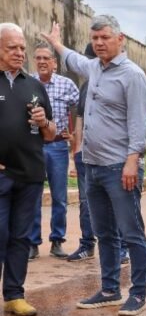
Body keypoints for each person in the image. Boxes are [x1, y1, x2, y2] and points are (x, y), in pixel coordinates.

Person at [42, 15, 146, 316]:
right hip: (92, 166)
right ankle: (109, 289)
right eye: (95, 39)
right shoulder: (94, 68)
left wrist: (133, 161)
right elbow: (75, 60)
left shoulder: (133, 75)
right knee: (104, 233)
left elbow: (140, 123)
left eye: (105, 37)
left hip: (120, 167)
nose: (99, 43)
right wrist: (56, 44)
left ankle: (139, 293)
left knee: (132, 233)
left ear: (121, 39)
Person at [0, 22, 57, 316]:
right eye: (13, 48)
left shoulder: (34, 86)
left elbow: (52, 133)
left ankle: (14, 295)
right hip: (1, 175)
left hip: (30, 175)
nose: (20, 53)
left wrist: (44, 122)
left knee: (21, 236)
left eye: (22, 48)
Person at [66, 43, 129, 264]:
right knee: (86, 203)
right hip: (86, 156)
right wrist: (77, 152)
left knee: (113, 203)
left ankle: (122, 247)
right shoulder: (86, 87)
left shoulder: (122, 81)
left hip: (112, 157)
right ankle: (87, 244)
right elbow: (80, 119)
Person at [28, 43, 79, 260]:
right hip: (33, 146)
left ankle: (57, 240)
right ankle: (32, 242)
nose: (41, 62)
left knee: (59, 196)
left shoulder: (67, 85)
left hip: (58, 146)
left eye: (46, 58)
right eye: (38, 58)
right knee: (32, 195)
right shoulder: (26, 83)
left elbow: (79, 107)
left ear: (54, 63)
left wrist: (75, 132)